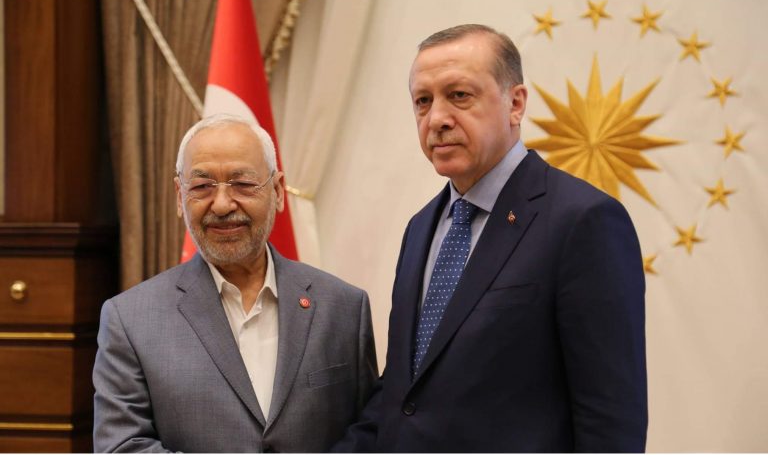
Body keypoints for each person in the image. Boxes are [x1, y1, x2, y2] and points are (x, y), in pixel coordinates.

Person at [334, 24, 647, 452]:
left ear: (515, 103)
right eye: (423, 101)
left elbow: (610, 421)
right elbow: (405, 393)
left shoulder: (582, 220)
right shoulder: (420, 227)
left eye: (459, 95)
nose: (437, 119)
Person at [93, 114, 378, 452]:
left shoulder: (344, 308)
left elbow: (370, 432)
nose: (222, 204)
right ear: (179, 196)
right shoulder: (129, 320)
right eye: (202, 187)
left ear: (277, 191)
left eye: (242, 184)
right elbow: (122, 446)